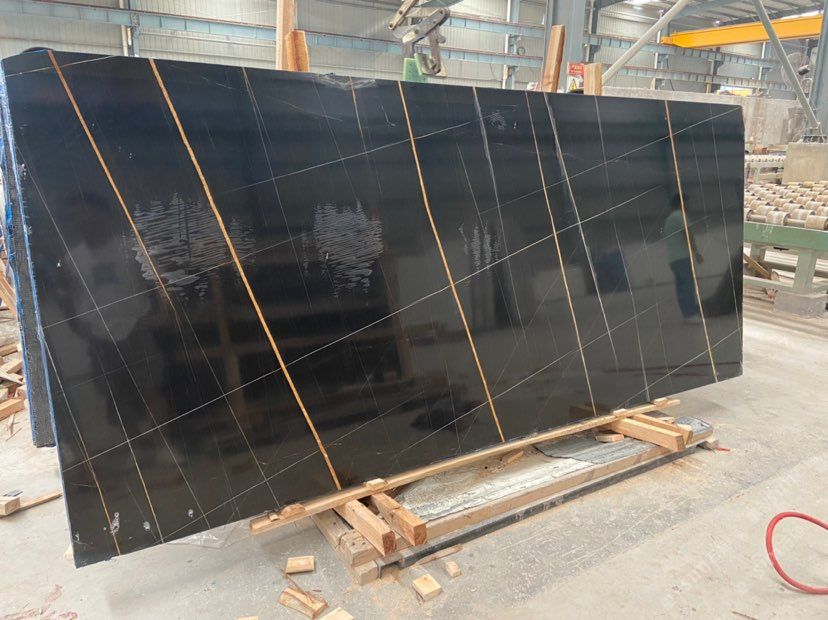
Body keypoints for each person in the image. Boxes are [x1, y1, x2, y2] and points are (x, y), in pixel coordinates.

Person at [664, 195, 703, 322]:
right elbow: (687, 234)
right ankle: (691, 314)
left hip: (673, 258)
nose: (688, 205)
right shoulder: (680, 215)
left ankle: (687, 314)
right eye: (686, 202)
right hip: (682, 257)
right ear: (682, 203)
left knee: (681, 286)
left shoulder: (669, 218)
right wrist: (696, 253)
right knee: (687, 286)